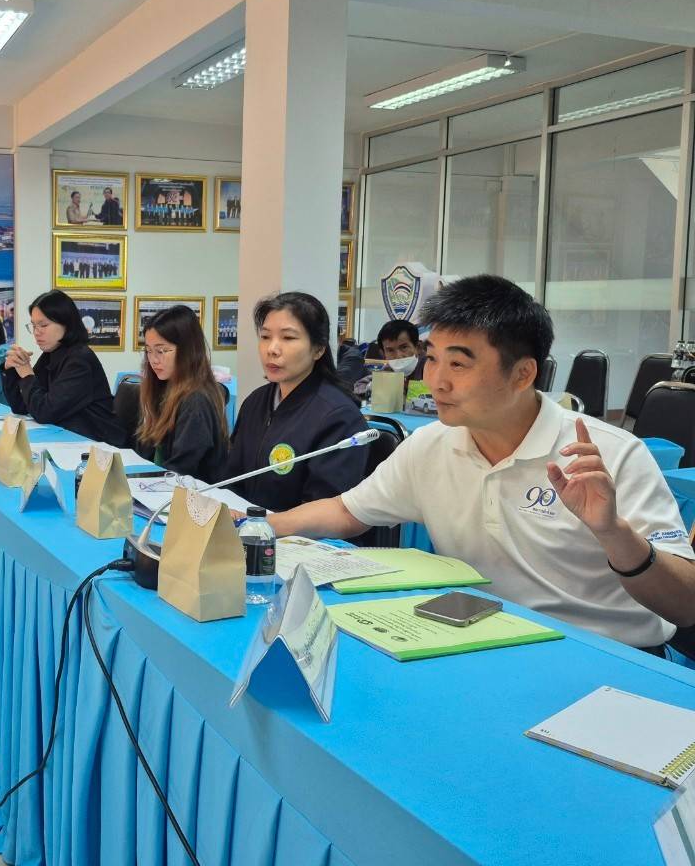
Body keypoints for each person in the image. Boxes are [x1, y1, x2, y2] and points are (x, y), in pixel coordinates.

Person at [269, 274, 694, 652]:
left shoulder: (609, 454)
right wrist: (258, 527)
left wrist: (612, 532)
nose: (436, 379)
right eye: (431, 358)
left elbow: (685, 606)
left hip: (607, 656)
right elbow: (347, 512)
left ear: (523, 375)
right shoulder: (431, 445)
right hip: (483, 640)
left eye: (458, 363)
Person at [222, 292, 368, 511]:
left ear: (318, 349)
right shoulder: (255, 402)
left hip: (298, 540)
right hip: (246, 531)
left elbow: (324, 511)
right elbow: (232, 480)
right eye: (265, 337)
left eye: (288, 338)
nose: (272, 349)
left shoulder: (339, 417)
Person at [2, 290, 126, 446]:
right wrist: (12, 370)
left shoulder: (79, 360)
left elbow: (44, 412)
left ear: (66, 323)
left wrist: (27, 375)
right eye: (33, 326)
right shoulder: (52, 353)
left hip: (98, 443)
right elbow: (21, 406)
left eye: (43, 325)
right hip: (71, 437)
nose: (36, 333)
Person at [134, 305, 228, 483]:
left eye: (161, 351)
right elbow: (146, 452)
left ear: (188, 350)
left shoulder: (196, 401)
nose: (153, 359)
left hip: (192, 499)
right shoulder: (163, 388)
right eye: (148, 350)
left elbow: (180, 470)